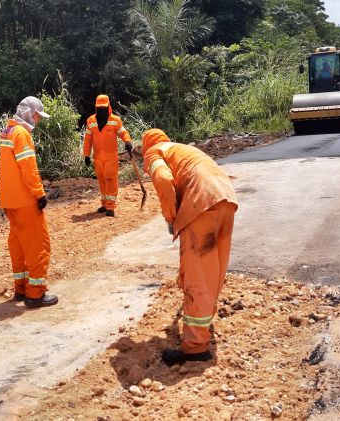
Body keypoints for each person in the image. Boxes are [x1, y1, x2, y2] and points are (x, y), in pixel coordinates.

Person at [141, 129, 238, 365]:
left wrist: (170, 218)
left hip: (201, 202)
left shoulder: (154, 152)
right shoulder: (179, 149)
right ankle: (205, 319)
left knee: (198, 276)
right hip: (225, 198)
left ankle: (196, 346)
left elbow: (164, 180)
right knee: (213, 270)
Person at [0, 96, 58, 308]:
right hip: (24, 199)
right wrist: (39, 193)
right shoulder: (22, 134)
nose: (38, 120)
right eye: (36, 115)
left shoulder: (8, 131)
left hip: (9, 199)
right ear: (28, 113)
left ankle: (21, 288)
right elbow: (28, 168)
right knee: (38, 244)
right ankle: (35, 294)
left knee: (19, 243)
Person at [82, 94, 133, 217]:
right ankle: (104, 204)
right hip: (98, 158)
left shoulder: (115, 120)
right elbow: (88, 139)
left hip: (111, 158)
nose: (101, 110)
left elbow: (123, 132)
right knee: (102, 181)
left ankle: (110, 207)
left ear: (108, 107)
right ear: (96, 107)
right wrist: (86, 155)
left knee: (110, 180)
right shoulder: (91, 121)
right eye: (99, 108)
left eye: (103, 108)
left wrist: (127, 141)